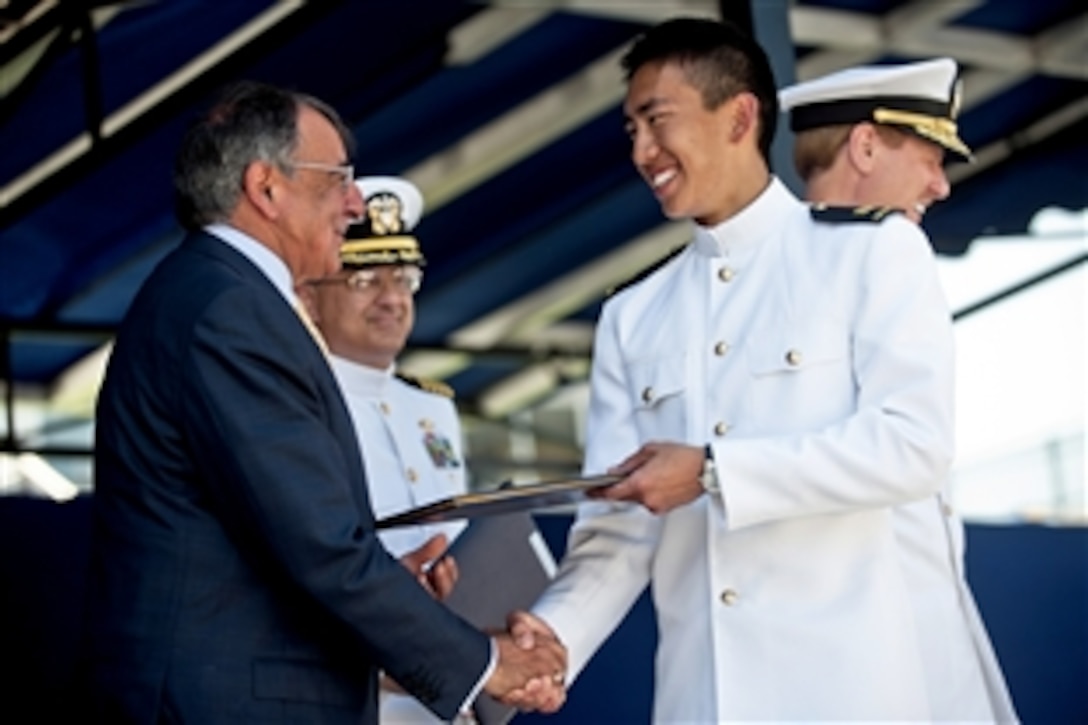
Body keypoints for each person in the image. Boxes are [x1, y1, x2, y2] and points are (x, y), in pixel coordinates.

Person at [510, 17, 984, 722]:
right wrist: (554, 639)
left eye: (657, 121)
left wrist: (712, 470)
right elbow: (617, 527)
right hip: (702, 701)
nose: (642, 150)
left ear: (739, 117)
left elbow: (912, 446)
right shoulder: (632, 314)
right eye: (630, 130)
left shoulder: (871, 253)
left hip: (849, 697)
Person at [86, 80, 565, 724]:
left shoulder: (222, 295)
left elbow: (274, 539)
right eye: (338, 177)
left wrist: (399, 596)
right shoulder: (230, 311)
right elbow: (319, 547)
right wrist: (484, 661)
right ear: (266, 189)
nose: (352, 201)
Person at [778, 59, 1018, 722]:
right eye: (930, 158)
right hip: (876, 671)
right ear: (864, 145)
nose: (941, 185)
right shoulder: (886, 255)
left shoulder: (763, 278)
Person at [298, 175, 471, 723]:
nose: (391, 298)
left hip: (447, 692)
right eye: (364, 279)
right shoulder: (298, 404)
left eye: (403, 278)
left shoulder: (432, 406)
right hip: (350, 693)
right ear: (311, 295)